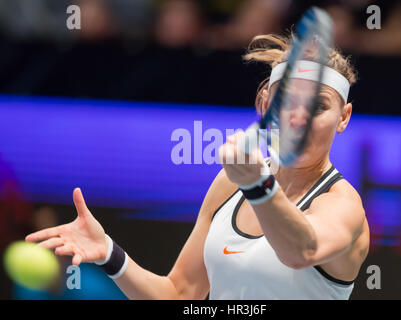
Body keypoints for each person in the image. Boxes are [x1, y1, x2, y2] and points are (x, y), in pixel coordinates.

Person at [25, 33, 370, 300]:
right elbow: (179, 293)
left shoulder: (342, 206)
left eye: (319, 107)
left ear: (343, 117)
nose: (299, 118)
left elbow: (300, 250)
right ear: (266, 105)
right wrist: (110, 255)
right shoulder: (232, 183)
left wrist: (259, 186)